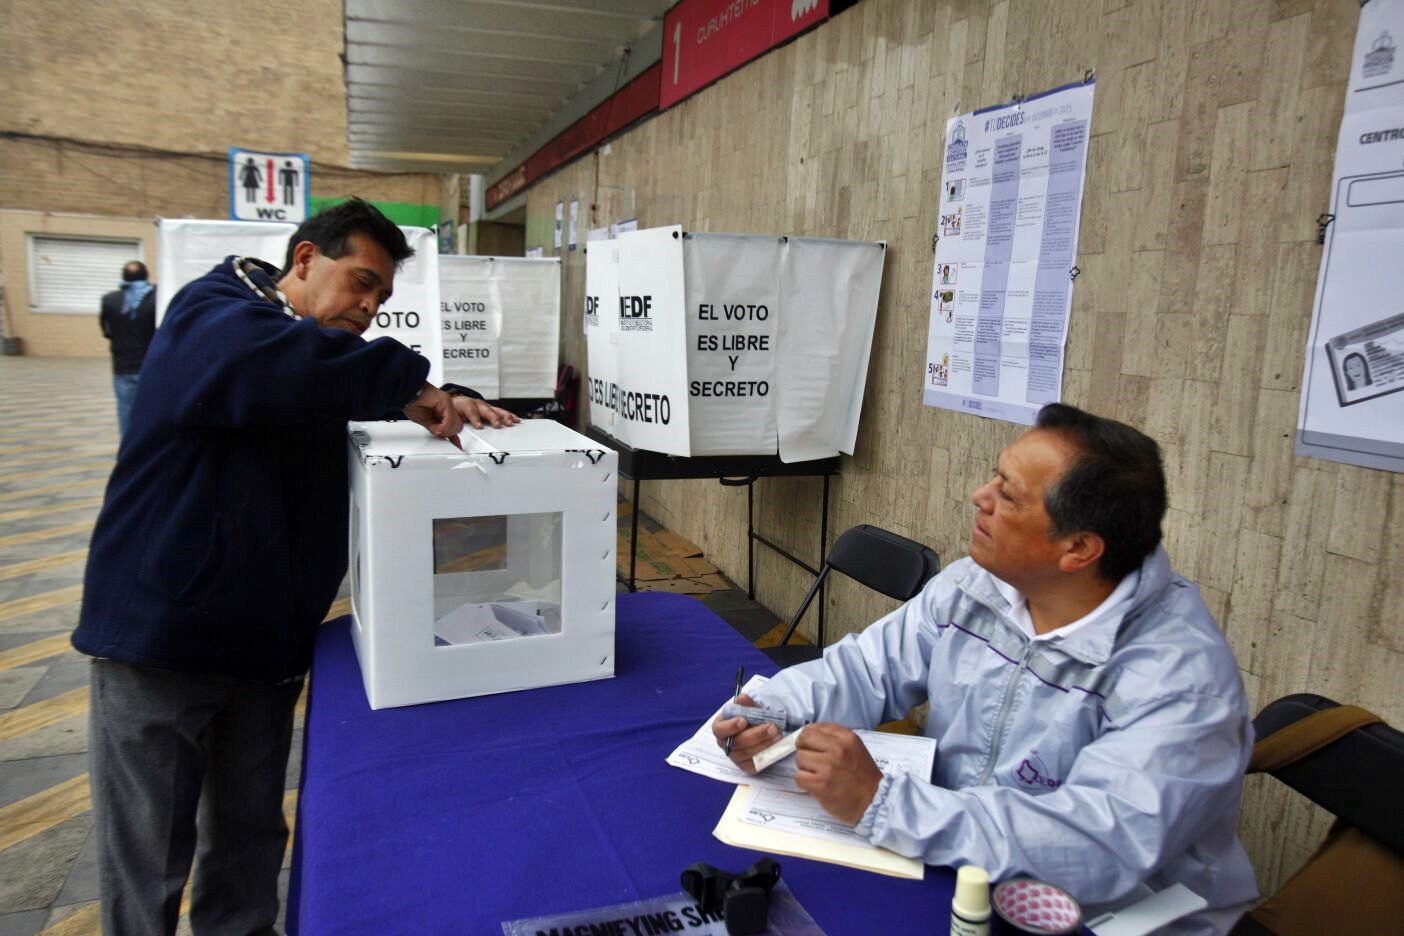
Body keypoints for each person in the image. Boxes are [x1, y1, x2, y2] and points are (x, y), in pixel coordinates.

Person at [73, 198, 519, 935]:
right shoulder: (214, 313)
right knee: (147, 862)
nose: (369, 309)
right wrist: (409, 384)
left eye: (380, 297)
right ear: (306, 260)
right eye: (361, 283)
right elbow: (267, 366)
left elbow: (327, 384)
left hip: (265, 651)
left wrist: (453, 405)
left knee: (249, 848)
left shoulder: (312, 353)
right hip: (161, 644)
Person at [714, 404, 1259, 936]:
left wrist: (883, 802)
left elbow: (1095, 842)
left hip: (1101, 912)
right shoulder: (976, 586)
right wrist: (771, 710)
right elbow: (866, 666)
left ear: (1078, 549)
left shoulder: (1181, 680)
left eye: (1008, 493)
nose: (980, 496)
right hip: (950, 856)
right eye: (993, 476)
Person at [99, 261, 157, 437]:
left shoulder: (110, 300)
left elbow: (106, 331)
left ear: (123, 276)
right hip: (150, 366)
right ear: (146, 275)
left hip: (122, 366)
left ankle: (128, 453)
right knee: (152, 411)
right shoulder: (156, 299)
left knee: (126, 412)